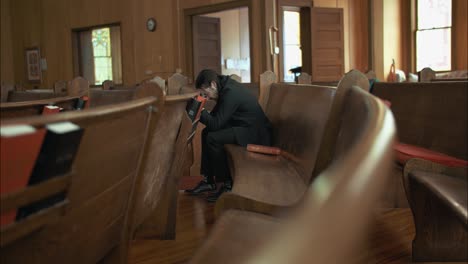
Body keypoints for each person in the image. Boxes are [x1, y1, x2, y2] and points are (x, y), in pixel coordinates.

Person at [185, 69, 272, 202]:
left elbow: (216, 124)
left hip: (255, 133)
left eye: (205, 92)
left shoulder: (230, 92)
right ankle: (208, 181)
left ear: (213, 84)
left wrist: (199, 110)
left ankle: (227, 185)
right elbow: (215, 119)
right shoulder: (224, 87)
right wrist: (199, 109)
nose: (205, 96)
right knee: (206, 133)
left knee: (213, 138)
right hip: (243, 127)